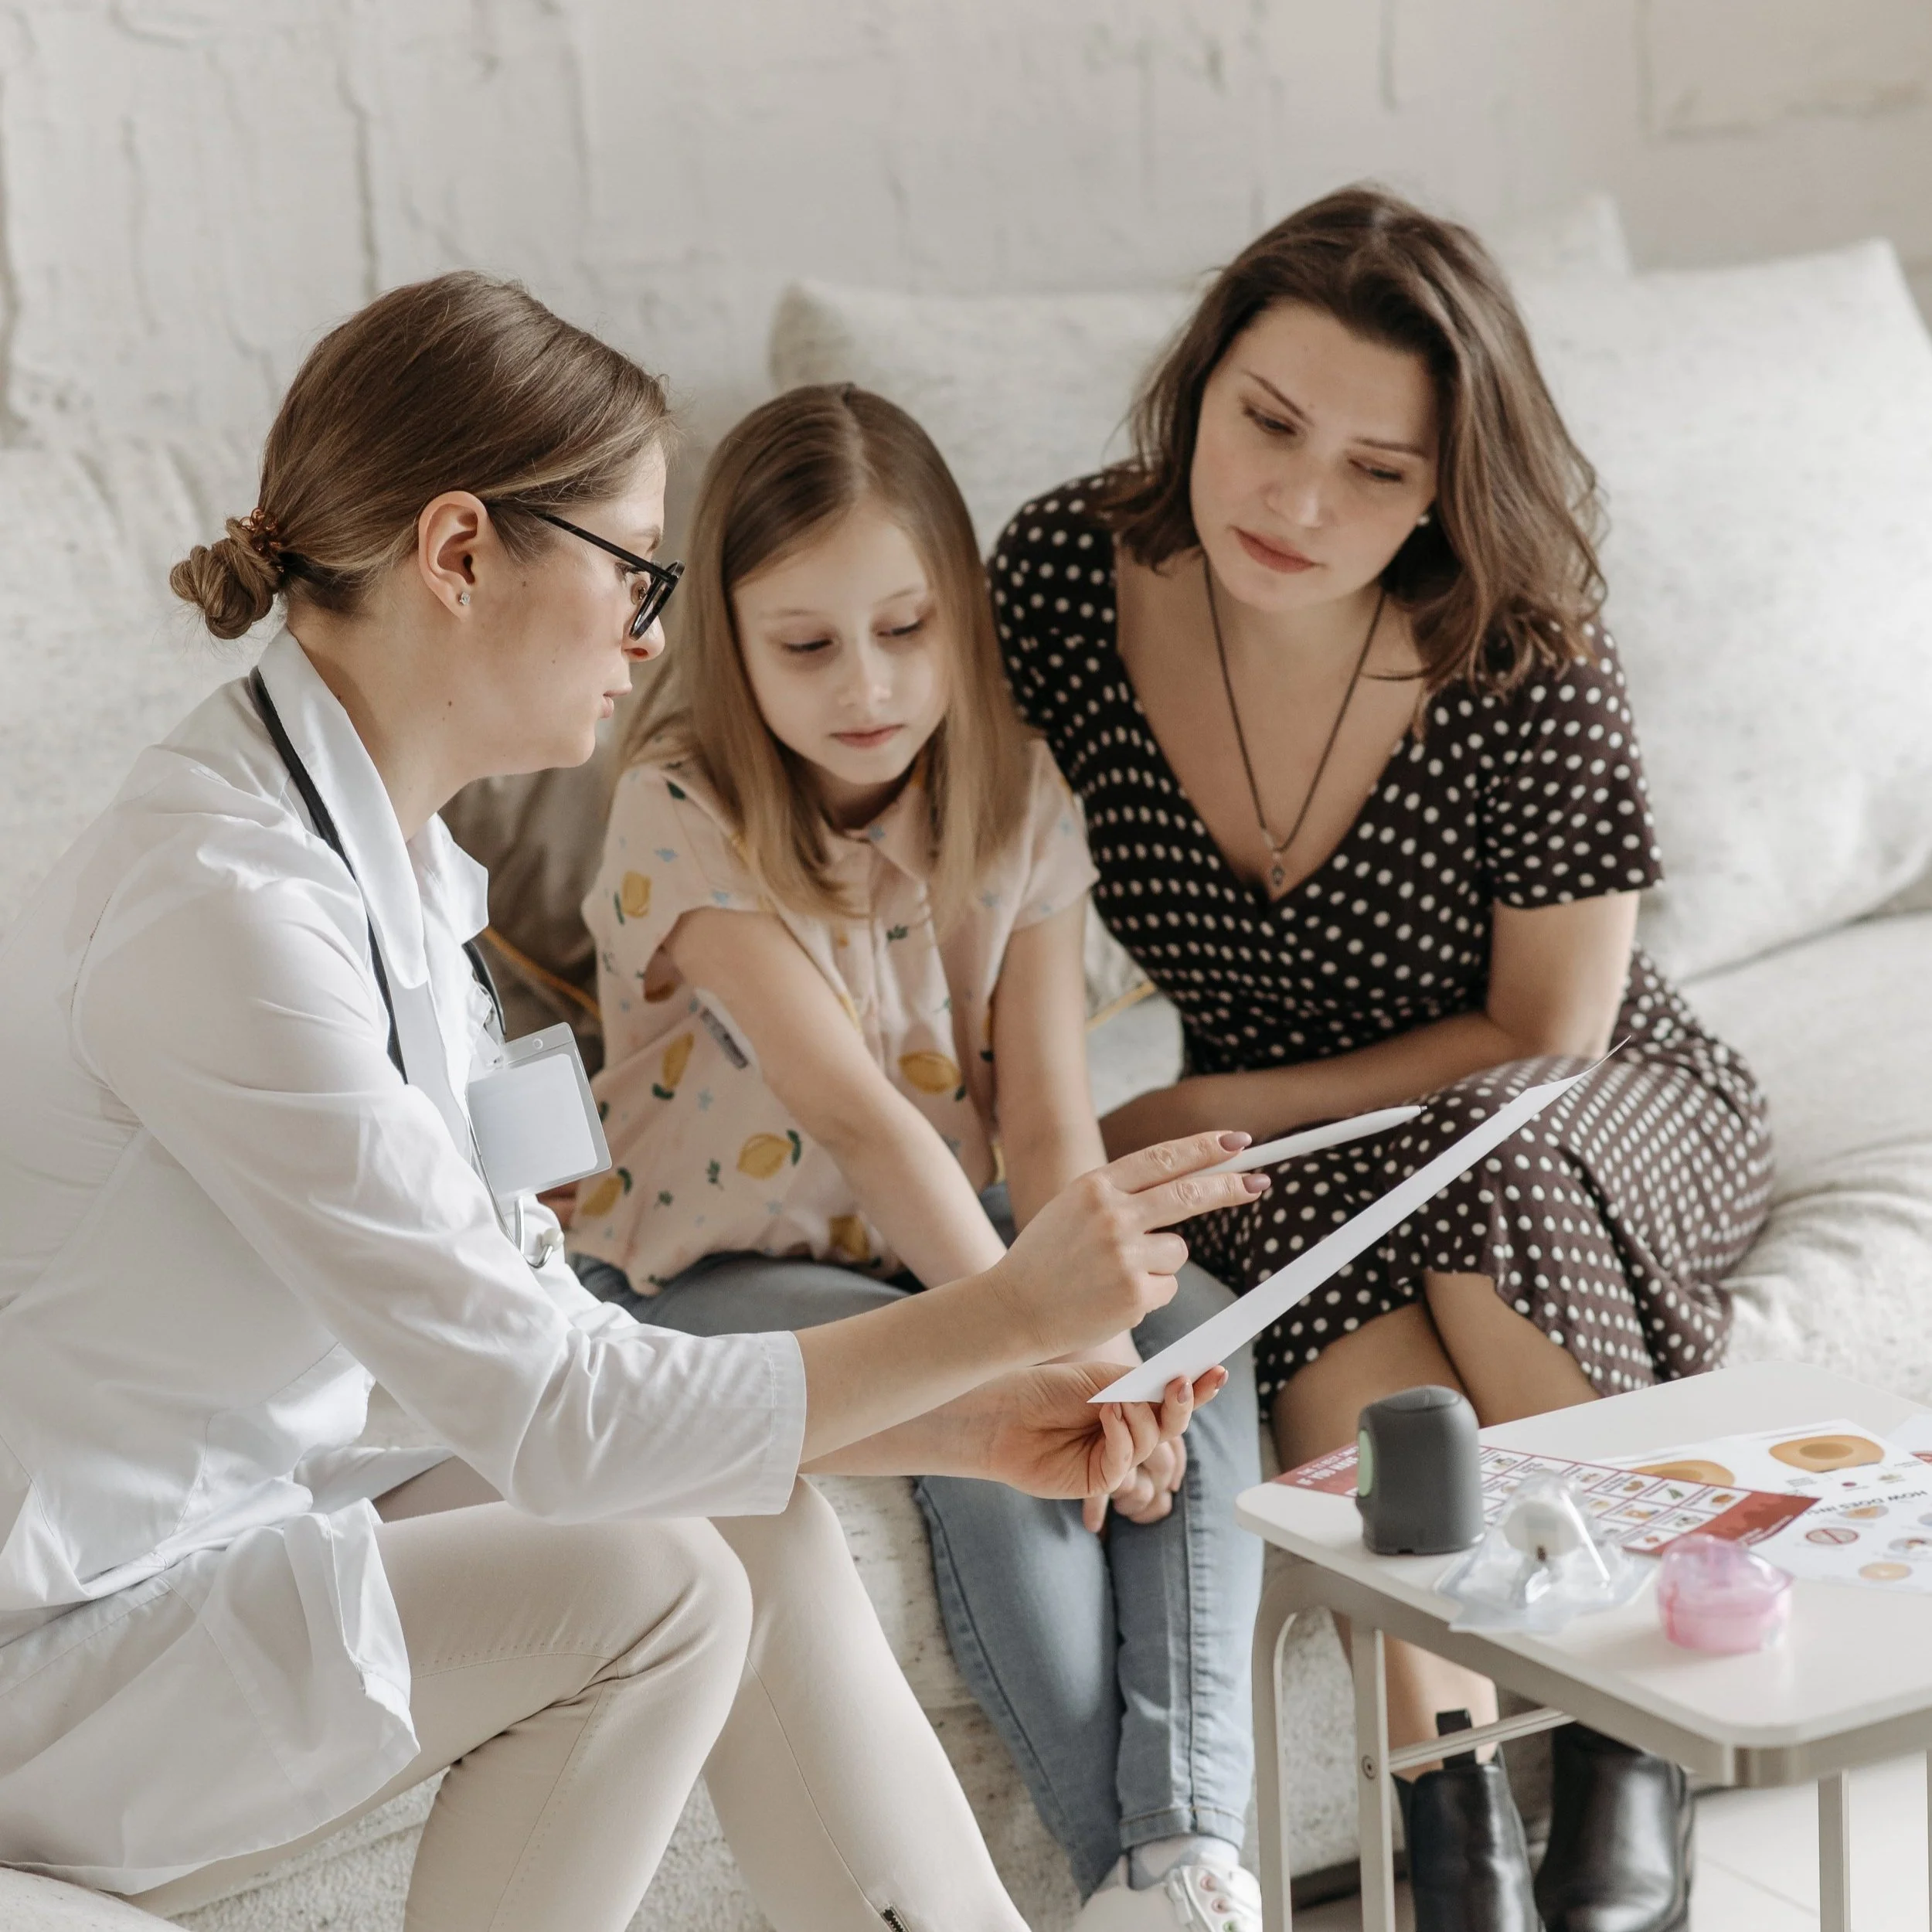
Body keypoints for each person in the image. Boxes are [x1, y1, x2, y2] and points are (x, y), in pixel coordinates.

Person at [0, 272, 1260, 1932]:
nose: (653, 636)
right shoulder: (224, 912)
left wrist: (972, 1422)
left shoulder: (397, 870)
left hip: (231, 1532)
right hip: (68, 1645)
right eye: (636, 571)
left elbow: (539, 1335)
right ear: (460, 554)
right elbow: (551, 1415)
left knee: (742, 1514)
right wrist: (1008, 1313)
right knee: (652, 1586)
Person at [990, 188, 1774, 1932]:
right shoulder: (1057, 579)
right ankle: (1454, 1817)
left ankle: (1624, 1735)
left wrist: (1197, 1107)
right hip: (1309, 1152)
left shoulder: (1519, 636)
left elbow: (1551, 1028)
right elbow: (981, 887)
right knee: (1315, 1259)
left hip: (1578, 1103)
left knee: (1467, 1166)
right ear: (1200, 383)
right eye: (1267, 423)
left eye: (1374, 468)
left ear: (1443, 486)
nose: (1295, 501)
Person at [570, 383, 1267, 1930]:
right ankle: (1110, 1873)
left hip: (947, 1226)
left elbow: (1048, 1123)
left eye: (904, 629)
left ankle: (1178, 1853)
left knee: (1198, 1342)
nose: (869, 686)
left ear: (957, 607)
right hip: (716, 1267)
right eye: (807, 646)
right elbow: (863, 1122)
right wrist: (1044, 1343)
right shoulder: (677, 805)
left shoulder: (1015, 793)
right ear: (731, 643)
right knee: (981, 1420)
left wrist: (1116, 1348)